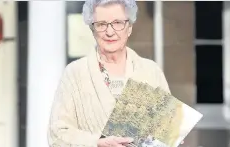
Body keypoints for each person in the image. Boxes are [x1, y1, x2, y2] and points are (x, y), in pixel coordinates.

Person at [47, 0, 171, 147]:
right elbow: (57, 134)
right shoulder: (75, 73)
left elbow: (167, 128)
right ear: (92, 29)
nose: (110, 32)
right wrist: (96, 143)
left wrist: (169, 137)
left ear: (129, 27)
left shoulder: (151, 71)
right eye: (101, 24)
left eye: (118, 23)